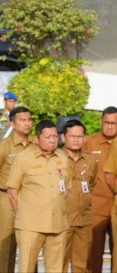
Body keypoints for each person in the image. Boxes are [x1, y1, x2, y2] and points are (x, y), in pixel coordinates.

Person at [7, 120, 69, 273]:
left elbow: (66, 189)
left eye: (55, 136)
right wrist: (23, 215)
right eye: (48, 137)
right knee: (26, 267)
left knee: (56, 268)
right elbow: (12, 190)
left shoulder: (63, 158)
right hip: (30, 225)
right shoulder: (24, 158)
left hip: (57, 224)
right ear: (36, 139)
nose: (52, 140)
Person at [0, 105, 33, 273]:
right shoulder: (1, 148)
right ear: (12, 124)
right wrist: (4, 195)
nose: (27, 124)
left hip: (31, 200)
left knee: (30, 246)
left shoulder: (36, 145)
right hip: (6, 199)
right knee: (7, 247)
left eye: (29, 120)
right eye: (22, 120)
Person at [60, 119, 97, 273]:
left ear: (85, 138)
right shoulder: (56, 158)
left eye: (80, 136)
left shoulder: (90, 160)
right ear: (63, 137)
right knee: (58, 264)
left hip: (84, 220)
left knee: (81, 265)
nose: (76, 140)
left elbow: (91, 184)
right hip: (62, 221)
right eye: (72, 136)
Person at [84, 106, 117, 273]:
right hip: (97, 205)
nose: (110, 126)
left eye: (114, 123)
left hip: (116, 203)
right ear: (100, 121)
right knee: (94, 252)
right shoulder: (89, 142)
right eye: (107, 122)